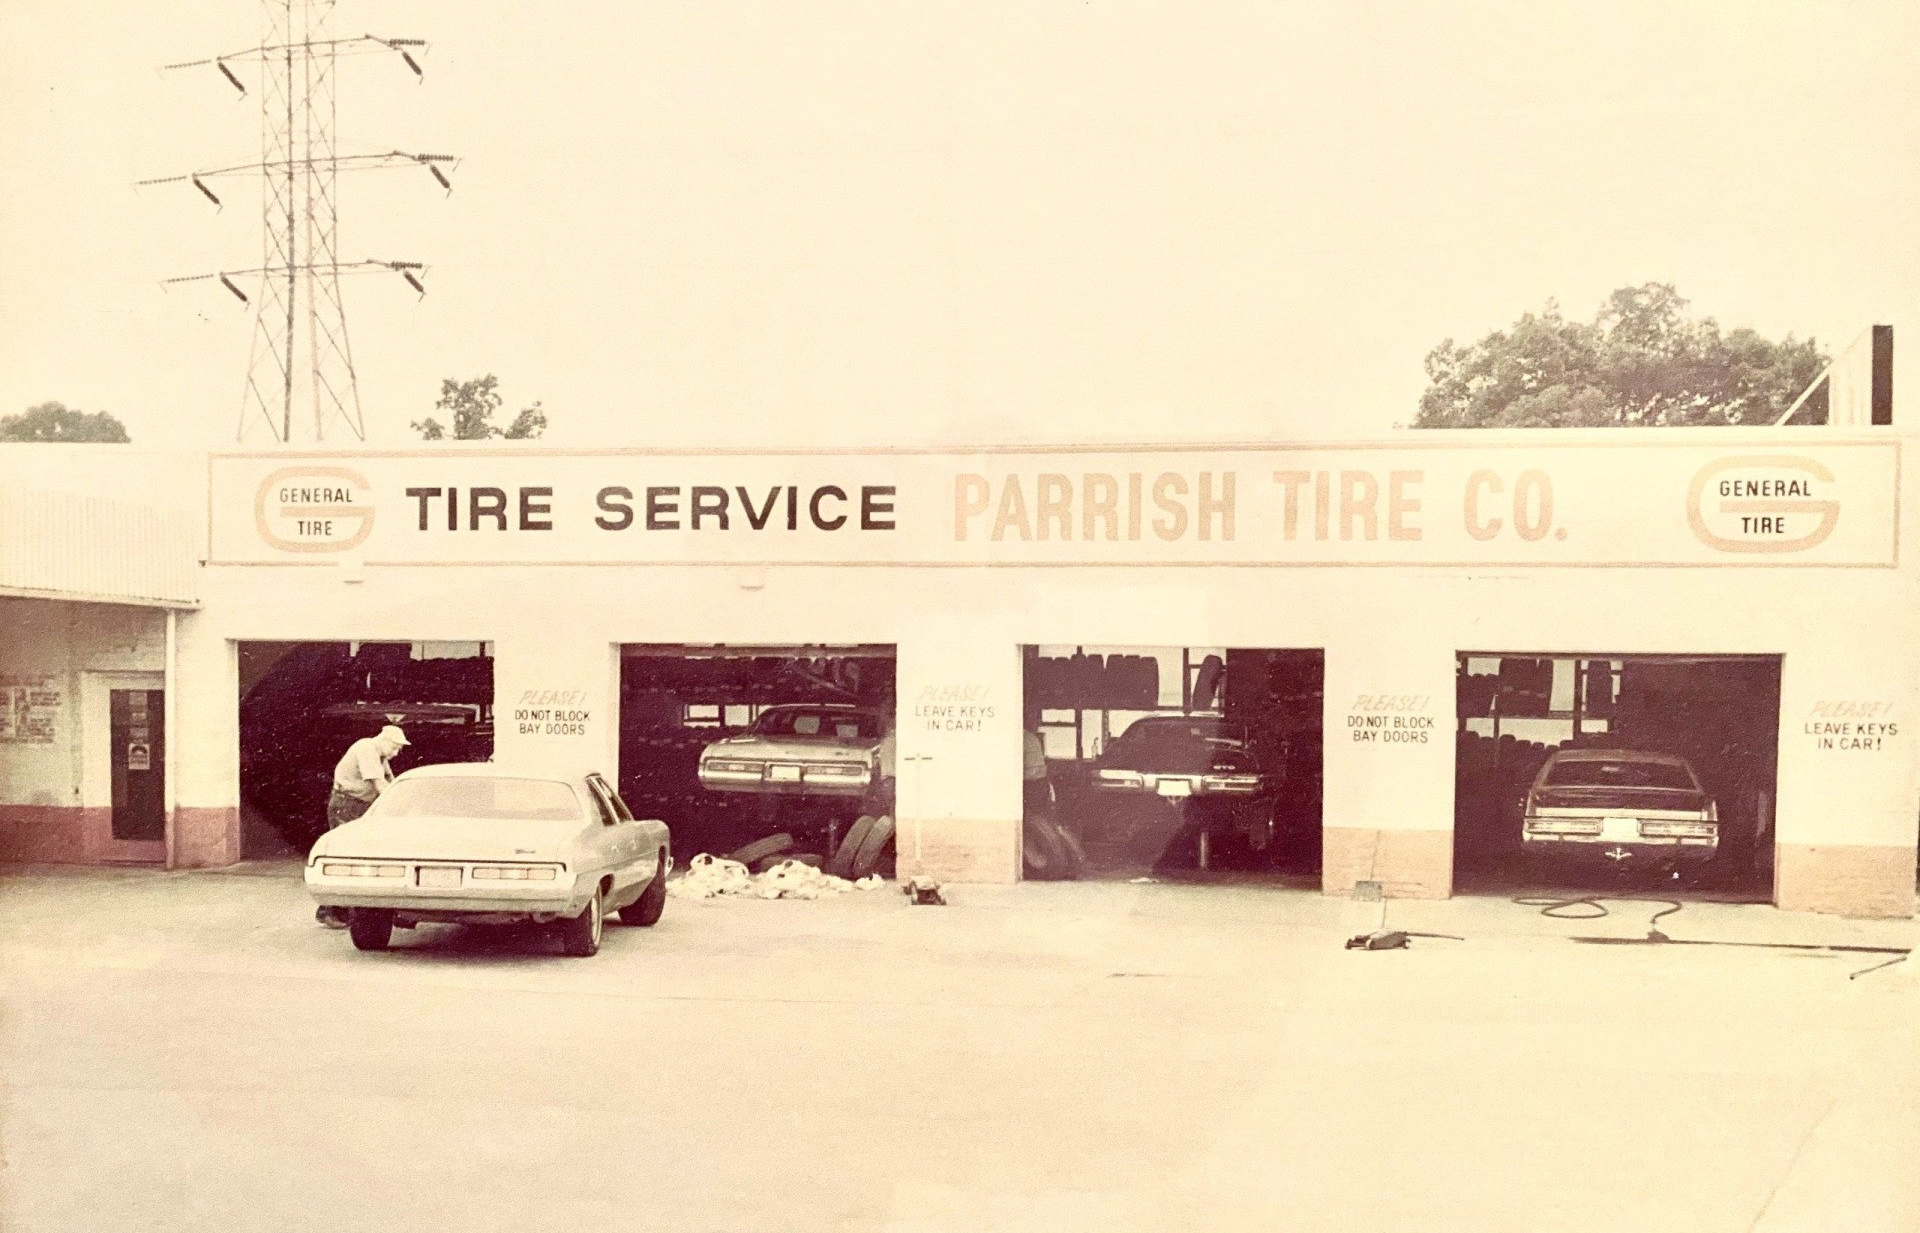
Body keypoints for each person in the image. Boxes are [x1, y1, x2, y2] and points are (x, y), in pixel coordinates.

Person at [315, 724, 408, 927]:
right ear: (385, 741)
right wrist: (401, 806)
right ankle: (328, 911)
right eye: (394, 748)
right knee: (343, 855)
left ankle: (347, 911)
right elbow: (380, 785)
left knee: (361, 854)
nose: (395, 753)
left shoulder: (379, 755)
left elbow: (391, 781)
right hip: (347, 804)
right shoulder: (367, 748)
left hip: (359, 805)